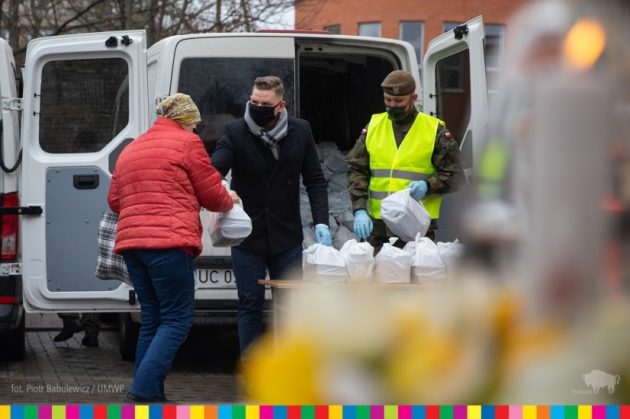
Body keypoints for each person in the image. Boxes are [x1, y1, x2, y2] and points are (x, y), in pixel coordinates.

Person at [108, 93, 238, 403]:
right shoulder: (187, 143)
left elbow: (114, 201)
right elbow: (211, 194)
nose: (196, 130)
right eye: (195, 125)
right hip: (168, 243)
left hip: (132, 245)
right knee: (177, 319)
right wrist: (229, 200)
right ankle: (141, 391)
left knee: (153, 318)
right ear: (186, 121)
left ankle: (150, 393)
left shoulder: (132, 147)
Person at [212, 76, 331, 355]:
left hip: (286, 236)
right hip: (247, 237)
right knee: (249, 303)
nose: (257, 107)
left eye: (264, 104)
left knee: (291, 306)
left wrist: (322, 221)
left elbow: (314, 180)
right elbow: (214, 171)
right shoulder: (235, 131)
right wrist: (220, 190)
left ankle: (290, 370)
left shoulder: (300, 131)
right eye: (253, 102)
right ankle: (253, 371)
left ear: (280, 105)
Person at [347, 70, 464, 249]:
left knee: (415, 276)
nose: (393, 106)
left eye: (399, 101)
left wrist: (428, 186)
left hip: (416, 226)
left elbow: (456, 175)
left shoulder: (433, 130)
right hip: (379, 227)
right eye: (388, 100)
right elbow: (357, 169)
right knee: (377, 275)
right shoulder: (374, 126)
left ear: (413, 97)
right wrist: (360, 208)